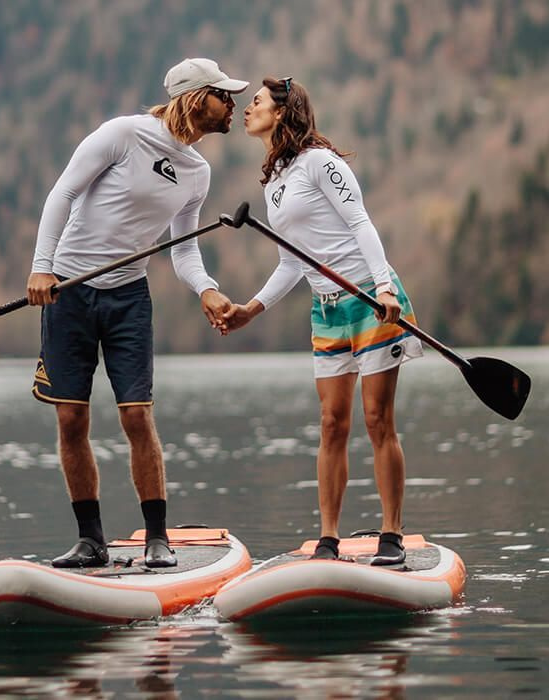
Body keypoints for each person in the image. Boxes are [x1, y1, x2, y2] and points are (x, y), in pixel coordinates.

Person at [26, 58, 248, 568]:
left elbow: (183, 250)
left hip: (128, 298)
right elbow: (63, 193)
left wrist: (206, 289)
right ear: (195, 97)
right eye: (223, 94)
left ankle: (156, 538)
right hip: (70, 292)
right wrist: (42, 268)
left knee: (137, 418)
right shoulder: (123, 134)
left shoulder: (198, 172)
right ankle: (90, 540)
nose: (232, 104)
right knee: (71, 418)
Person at [224, 77, 423, 564]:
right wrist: (252, 308)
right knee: (332, 423)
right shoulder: (273, 181)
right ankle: (328, 539)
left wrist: (382, 287)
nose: (247, 109)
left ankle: (391, 535)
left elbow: (360, 223)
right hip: (326, 310)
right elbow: (292, 262)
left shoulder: (321, 163)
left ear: (283, 111)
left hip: (371, 301)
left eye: (256, 102)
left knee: (378, 420)